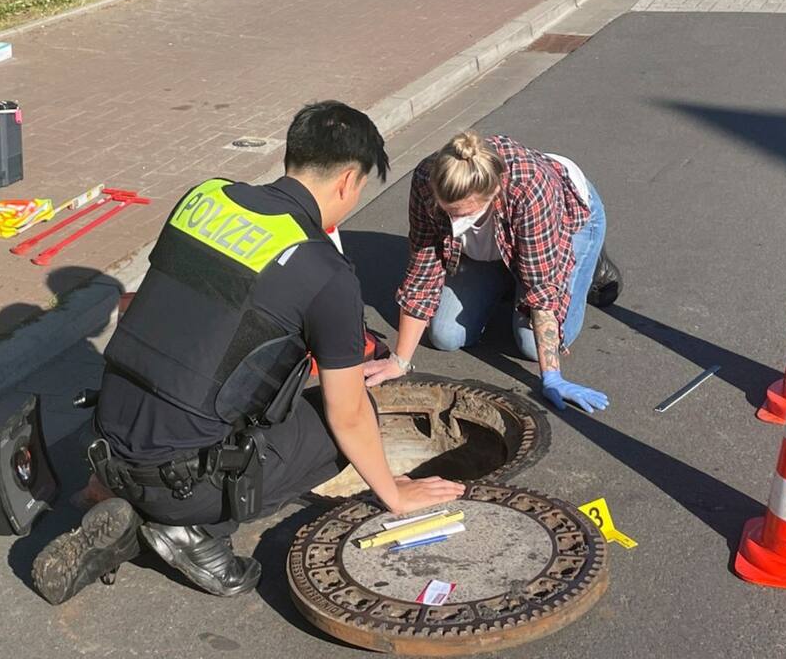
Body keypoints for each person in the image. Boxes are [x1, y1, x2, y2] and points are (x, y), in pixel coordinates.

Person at [32, 102, 465, 605]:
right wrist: (394, 492)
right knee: (350, 414)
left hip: (106, 443)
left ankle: (120, 498)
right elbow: (346, 414)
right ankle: (192, 529)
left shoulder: (204, 198)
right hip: (181, 481)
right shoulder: (326, 272)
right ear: (349, 180)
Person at [363, 132, 620, 415]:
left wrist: (552, 377)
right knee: (447, 336)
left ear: (494, 193)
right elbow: (424, 268)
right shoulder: (427, 177)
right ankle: (509, 268)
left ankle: (588, 261)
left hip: (564, 218)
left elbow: (543, 289)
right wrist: (399, 361)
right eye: (448, 212)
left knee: (531, 347)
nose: (454, 222)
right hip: (493, 237)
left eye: (465, 214)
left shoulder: (531, 187)